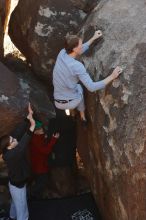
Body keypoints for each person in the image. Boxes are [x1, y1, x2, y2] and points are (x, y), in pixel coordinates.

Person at [53, 30, 122, 123]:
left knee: (74, 87)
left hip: (57, 100)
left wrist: (93, 38)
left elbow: (79, 51)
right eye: (80, 45)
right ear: (73, 49)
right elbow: (91, 87)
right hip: (72, 102)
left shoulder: (62, 53)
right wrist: (112, 76)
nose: (82, 46)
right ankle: (82, 116)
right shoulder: (77, 66)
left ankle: (74, 111)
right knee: (79, 88)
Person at [0, 103, 35, 220]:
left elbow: (18, 133)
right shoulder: (13, 154)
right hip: (18, 186)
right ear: (9, 146)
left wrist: (28, 117)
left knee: (15, 204)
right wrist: (32, 126)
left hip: (14, 183)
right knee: (23, 211)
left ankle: (11, 216)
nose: (14, 139)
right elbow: (23, 144)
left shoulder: (8, 149)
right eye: (12, 140)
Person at [29, 120, 59, 199]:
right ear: (35, 131)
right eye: (39, 129)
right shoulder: (35, 140)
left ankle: (36, 195)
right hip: (40, 167)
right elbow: (45, 151)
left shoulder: (37, 137)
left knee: (40, 181)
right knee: (42, 181)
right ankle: (32, 194)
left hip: (39, 164)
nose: (42, 129)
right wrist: (54, 139)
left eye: (41, 128)